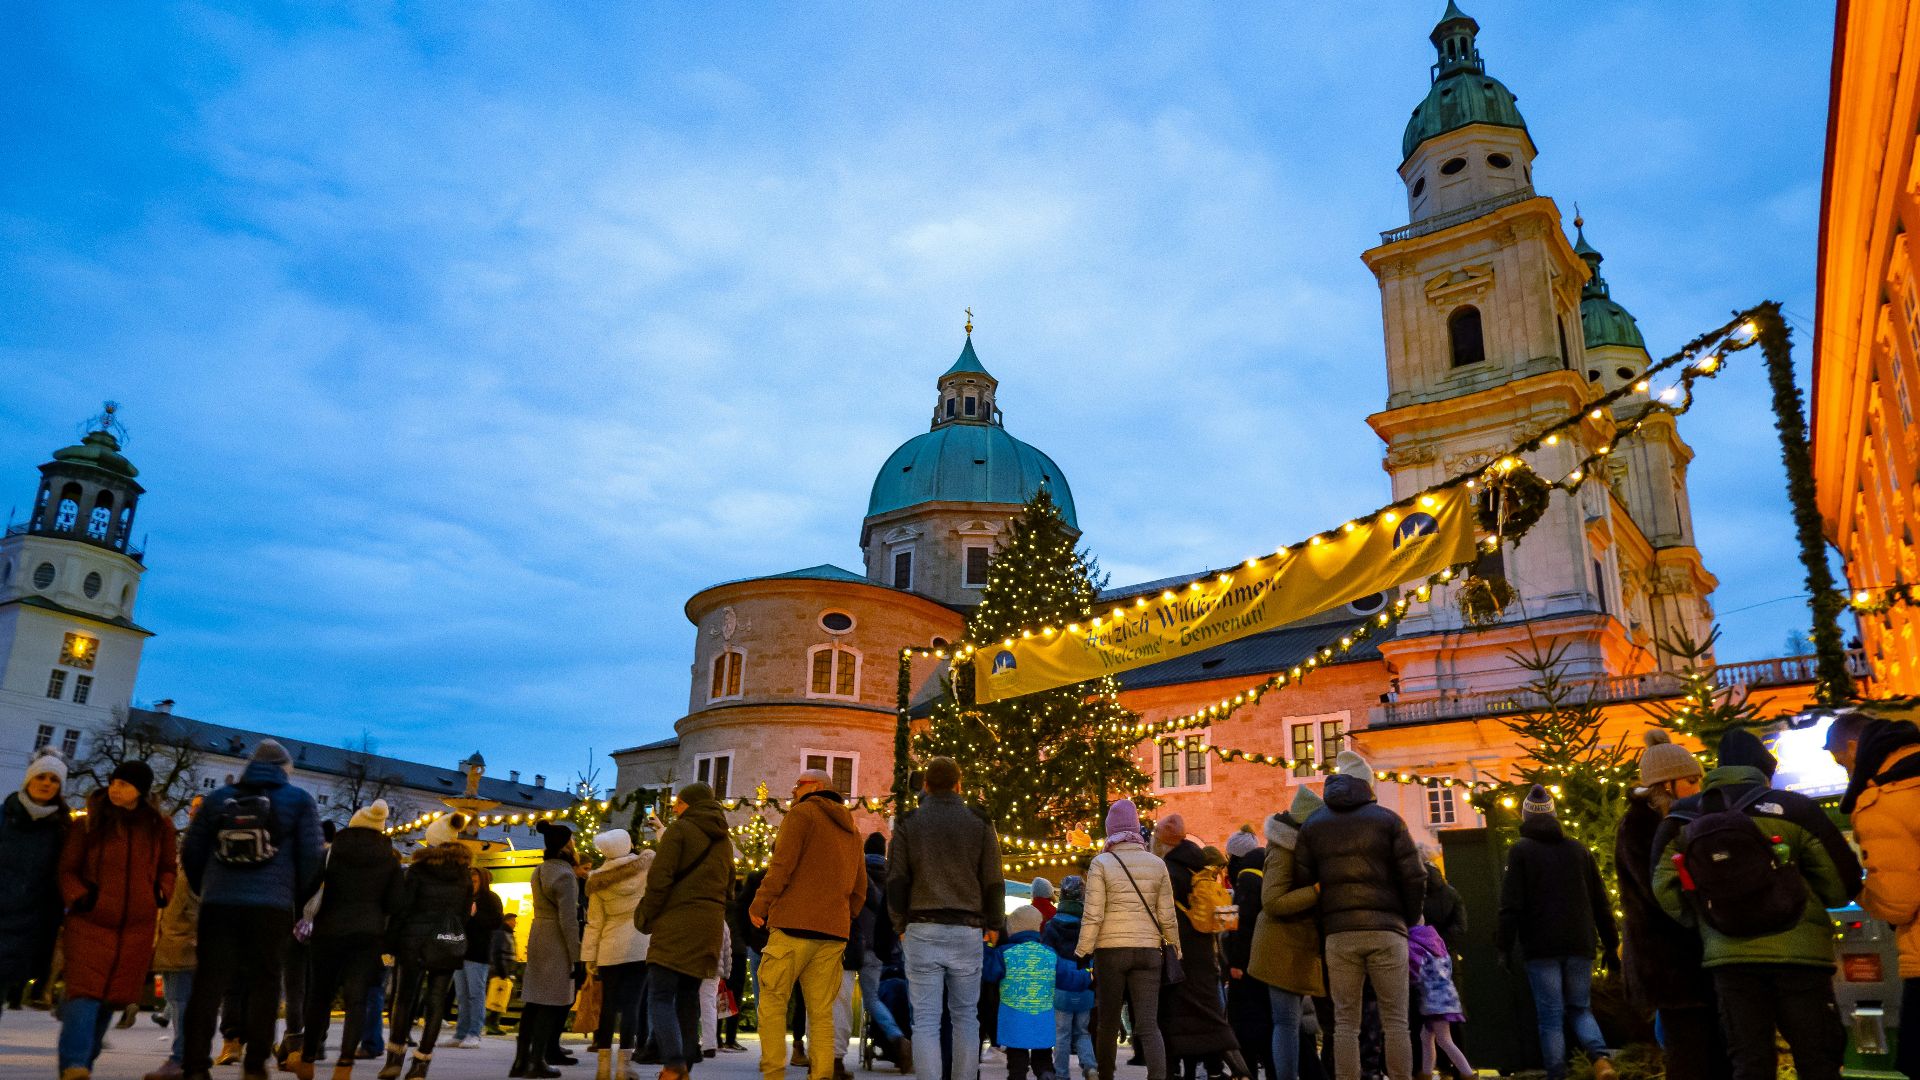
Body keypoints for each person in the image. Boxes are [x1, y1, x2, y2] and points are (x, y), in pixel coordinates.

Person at [1654, 727, 1861, 1080]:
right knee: (1817, 1059)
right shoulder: (1794, 809)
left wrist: (1706, 919)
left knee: (1750, 1063)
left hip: (1730, 959)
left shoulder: (1682, 819)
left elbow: (1664, 889)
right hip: (1801, 957)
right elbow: (1842, 885)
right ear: (1764, 770)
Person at [182, 738, 325, 1080]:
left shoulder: (219, 798)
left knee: (208, 983)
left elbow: (192, 849)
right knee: (266, 982)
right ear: (285, 769)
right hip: (271, 906)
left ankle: (195, 1064)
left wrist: (206, 886)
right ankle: (256, 1063)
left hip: (219, 903)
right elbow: (311, 857)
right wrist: (294, 895)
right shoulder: (299, 800)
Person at [1291, 750, 1424, 1080]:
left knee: (1345, 1023)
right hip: (1387, 931)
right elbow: (1415, 876)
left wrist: (1325, 918)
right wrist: (1406, 918)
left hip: (1339, 933)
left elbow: (1303, 881)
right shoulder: (1389, 820)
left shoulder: (1314, 824)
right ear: (1367, 785)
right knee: (1396, 1020)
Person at [1614, 732, 1727, 1080]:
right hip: (1668, 965)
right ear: (1667, 784)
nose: (1699, 786)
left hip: (1691, 961)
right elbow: (1660, 892)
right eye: (1692, 780)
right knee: (1689, 1056)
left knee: (1713, 1052)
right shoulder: (1641, 826)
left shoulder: (1677, 820)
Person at [886, 756, 1004, 1080]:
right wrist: (994, 924)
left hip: (921, 927)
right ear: (959, 784)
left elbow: (896, 879)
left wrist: (899, 925)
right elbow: (993, 878)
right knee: (966, 1016)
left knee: (925, 1019)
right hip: (966, 929)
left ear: (925, 785)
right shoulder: (979, 821)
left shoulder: (909, 822)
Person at [57, 761, 176, 1080]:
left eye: (124, 784)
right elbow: (67, 869)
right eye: (113, 782)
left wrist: (160, 892)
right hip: (90, 922)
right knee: (84, 995)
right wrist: (81, 896)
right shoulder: (89, 822)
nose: (115, 788)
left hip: (135, 928)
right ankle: (73, 1064)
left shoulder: (158, 826)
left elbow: (168, 867)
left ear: (140, 789)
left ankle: (83, 1064)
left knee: (109, 1000)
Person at [751, 768, 867, 1080]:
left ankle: (773, 1074)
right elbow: (860, 889)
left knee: (773, 1005)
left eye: (798, 784)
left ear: (815, 786)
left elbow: (781, 865)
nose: (792, 790)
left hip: (791, 926)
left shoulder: (802, 814)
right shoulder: (852, 830)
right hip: (833, 934)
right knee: (822, 1014)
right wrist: (841, 914)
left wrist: (759, 903)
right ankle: (822, 1075)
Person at [1498, 785, 1619, 1080]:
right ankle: (1601, 1060)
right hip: (1580, 942)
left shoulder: (1521, 851)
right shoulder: (1578, 850)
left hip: (1541, 947)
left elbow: (1511, 905)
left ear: (1526, 818)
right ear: (1554, 817)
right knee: (1580, 1007)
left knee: (1550, 1016)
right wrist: (1612, 945)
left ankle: (1557, 1074)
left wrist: (1503, 946)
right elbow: (1601, 902)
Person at [1832, 712, 1920, 1079]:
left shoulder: (1882, 799)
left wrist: (1860, 893)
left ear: (1855, 748)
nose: (1846, 773)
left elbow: (1899, 903)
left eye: (1842, 763)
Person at [294, 799, 401, 1080]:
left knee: (319, 996)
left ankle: (307, 1060)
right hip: (367, 936)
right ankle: (344, 1065)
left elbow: (307, 887)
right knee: (357, 1000)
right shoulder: (389, 860)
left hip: (328, 932)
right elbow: (395, 903)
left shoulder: (332, 853)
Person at [636, 782, 734, 1080]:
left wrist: (646, 914)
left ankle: (674, 1063)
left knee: (661, 995)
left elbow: (659, 878)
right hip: (709, 926)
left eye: (679, 802)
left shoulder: (680, 831)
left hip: (676, 923)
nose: (675, 807)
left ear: (690, 804)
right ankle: (684, 1065)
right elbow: (729, 888)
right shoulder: (724, 841)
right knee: (689, 996)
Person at [1078, 798, 1179, 1080]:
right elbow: (1167, 915)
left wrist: (1083, 949)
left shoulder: (1101, 863)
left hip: (1110, 951)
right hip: (1148, 951)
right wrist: (1175, 948)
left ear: (1110, 829)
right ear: (1136, 828)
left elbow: (1093, 914)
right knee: (1148, 1024)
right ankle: (1158, 1076)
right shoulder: (1157, 864)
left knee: (1108, 1023)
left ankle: (1106, 1075)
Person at [376, 813, 473, 1080]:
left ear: (431, 841)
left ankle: (394, 1059)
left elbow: (402, 909)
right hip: (446, 944)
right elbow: (464, 915)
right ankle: (421, 1064)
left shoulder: (418, 870)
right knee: (436, 1003)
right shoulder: (464, 875)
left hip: (413, 943)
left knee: (404, 999)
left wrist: (389, 943)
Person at [1157, 818, 1248, 1080]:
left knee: (1178, 1019)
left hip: (1178, 954)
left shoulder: (1167, 870)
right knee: (1209, 1018)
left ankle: (1177, 1071)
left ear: (1165, 841)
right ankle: (1231, 1071)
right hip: (1205, 953)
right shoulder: (1199, 865)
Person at [1248, 789, 1326, 1080]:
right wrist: (1317, 891)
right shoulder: (1283, 849)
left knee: (1291, 1022)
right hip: (1280, 944)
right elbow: (1273, 901)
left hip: (1296, 944)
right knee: (1286, 1021)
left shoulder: (1299, 848)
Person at [985, 904, 1093, 1080]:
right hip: (1042, 1019)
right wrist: (1089, 976)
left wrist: (988, 944)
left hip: (1014, 1020)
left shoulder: (1004, 953)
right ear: (1038, 928)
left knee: (1017, 1063)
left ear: (1011, 928)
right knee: (1042, 1059)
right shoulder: (1049, 954)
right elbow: (1069, 977)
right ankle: (1046, 1074)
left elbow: (988, 971)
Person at [0, 751, 70, 1023]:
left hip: (27, 926)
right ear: (29, 780)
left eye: (54, 780)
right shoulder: (6, 817)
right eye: (41, 776)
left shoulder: (60, 828)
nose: (47, 783)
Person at [514, 821, 584, 1079]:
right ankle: (536, 1062)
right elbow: (568, 920)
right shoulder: (565, 874)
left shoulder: (540, 869)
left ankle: (521, 1061)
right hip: (555, 938)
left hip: (538, 933)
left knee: (533, 1001)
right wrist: (577, 957)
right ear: (566, 845)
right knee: (551, 1002)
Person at [586, 828, 655, 1080]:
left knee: (608, 1007)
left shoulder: (597, 880)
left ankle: (603, 1067)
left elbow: (594, 922)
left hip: (609, 949)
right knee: (632, 1007)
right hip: (639, 945)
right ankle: (624, 1066)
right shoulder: (645, 870)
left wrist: (589, 958)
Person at [147, 795, 205, 1080]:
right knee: (175, 998)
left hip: (185, 937)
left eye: (199, 810)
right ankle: (186, 1057)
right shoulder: (185, 846)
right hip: (170, 934)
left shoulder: (202, 849)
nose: (193, 814)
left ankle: (182, 1058)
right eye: (192, 809)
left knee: (182, 1001)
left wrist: (196, 929)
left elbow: (198, 897)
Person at [857, 832, 907, 1070]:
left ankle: (895, 1035)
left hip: (861, 943)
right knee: (879, 994)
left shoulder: (859, 874)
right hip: (887, 948)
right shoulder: (892, 876)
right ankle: (900, 1036)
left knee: (871, 998)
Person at [1223, 828, 1269, 1080]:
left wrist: (1235, 961)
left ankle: (1246, 1069)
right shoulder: (1262, 874)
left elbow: (1240, 924)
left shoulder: (1247, 880)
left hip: (1247, 964)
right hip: (1261, 959)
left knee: (1245, 1020)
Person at [1041, 876, 1092, 1080]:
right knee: (1082, 1032)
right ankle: (1090, 1066)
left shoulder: (1052, 925)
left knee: (1061, 1034)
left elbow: (1046, 955)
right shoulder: (1087, 924)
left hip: (1061, 986)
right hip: (1084, 984)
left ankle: (1062, 1074)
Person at [1405, 926, 1472, 1080]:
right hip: (1446, 998)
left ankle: (1468, 1074)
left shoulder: (1414, 946)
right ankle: (1426, 1073)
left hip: (1434, 1002)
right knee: (1426, 1037)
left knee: (1444, 1040)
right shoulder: (1437, 943)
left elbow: (1414, 973)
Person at [454, 864, 505, 1049]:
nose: (471, 884)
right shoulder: (465, 898)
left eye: (474, 881)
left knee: (475, 994)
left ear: (482, 881)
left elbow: (496, 921)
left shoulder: (490, 898)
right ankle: (461, 1032)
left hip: (478, 952)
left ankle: (474, 1032)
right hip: (460, 952)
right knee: (462, 994)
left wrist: (474, 916)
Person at [488, 912, 520, 1037]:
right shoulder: (501, 934)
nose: (515, 923)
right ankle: (492, 1023)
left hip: (505, 971)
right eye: (513, 920)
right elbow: (497, 953)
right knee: (498, 998)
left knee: (503, 997)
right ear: (507, 921)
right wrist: (502, 972)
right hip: (500, 972)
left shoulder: (508, 934)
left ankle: (493, 1022)